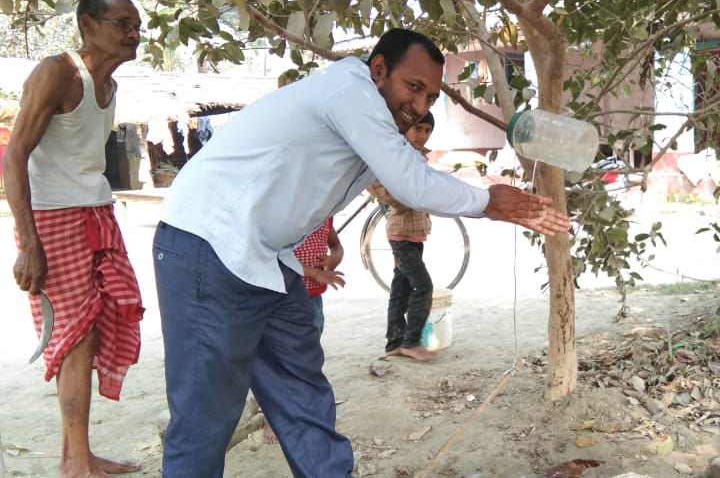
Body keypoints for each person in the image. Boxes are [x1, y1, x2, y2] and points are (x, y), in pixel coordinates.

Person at [152, 27, 569, 476]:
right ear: (378, 69)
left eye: (431, 96)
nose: (421, 106)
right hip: (208, 246)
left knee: (302, 393)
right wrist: (490, 201)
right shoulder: (349, 92)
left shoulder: (375, 121)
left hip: (271, 259)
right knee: (206, 413)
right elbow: (412, 182)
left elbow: (387, 173)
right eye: (414, 87)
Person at [1, 0, 144, 477]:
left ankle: (74, 457)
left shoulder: (110, 86)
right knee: (75, 338)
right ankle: (78, 462)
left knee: (94, 329)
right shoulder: (58, 72)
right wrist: (28, 244)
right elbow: (14, 155)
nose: (133, 35)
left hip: (96, 214)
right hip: (54, 221)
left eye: (137, 26)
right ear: (88, 25)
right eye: (123, 24)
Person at [262, 217, 344, 444]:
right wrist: (314, 273)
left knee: (309, 355)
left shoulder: (324, 219)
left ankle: (304, 409)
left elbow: (336, 246)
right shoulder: (292, 218)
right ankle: (272, 416)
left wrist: (332, 260)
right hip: (284, 298)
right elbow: (277, 258)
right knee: (281, 357)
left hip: (313, 299)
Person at [368, 112, 437, 362]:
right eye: (418, 129)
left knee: (401, 288)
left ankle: (394, 342)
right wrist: (402, 201)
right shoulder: (397, 155)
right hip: (401, 231)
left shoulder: (419, 157)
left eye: (428, 130)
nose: (423, 135)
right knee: (423, 286)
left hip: (416, 232)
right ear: (406, 129)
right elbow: (373, 182)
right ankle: (411, 341)